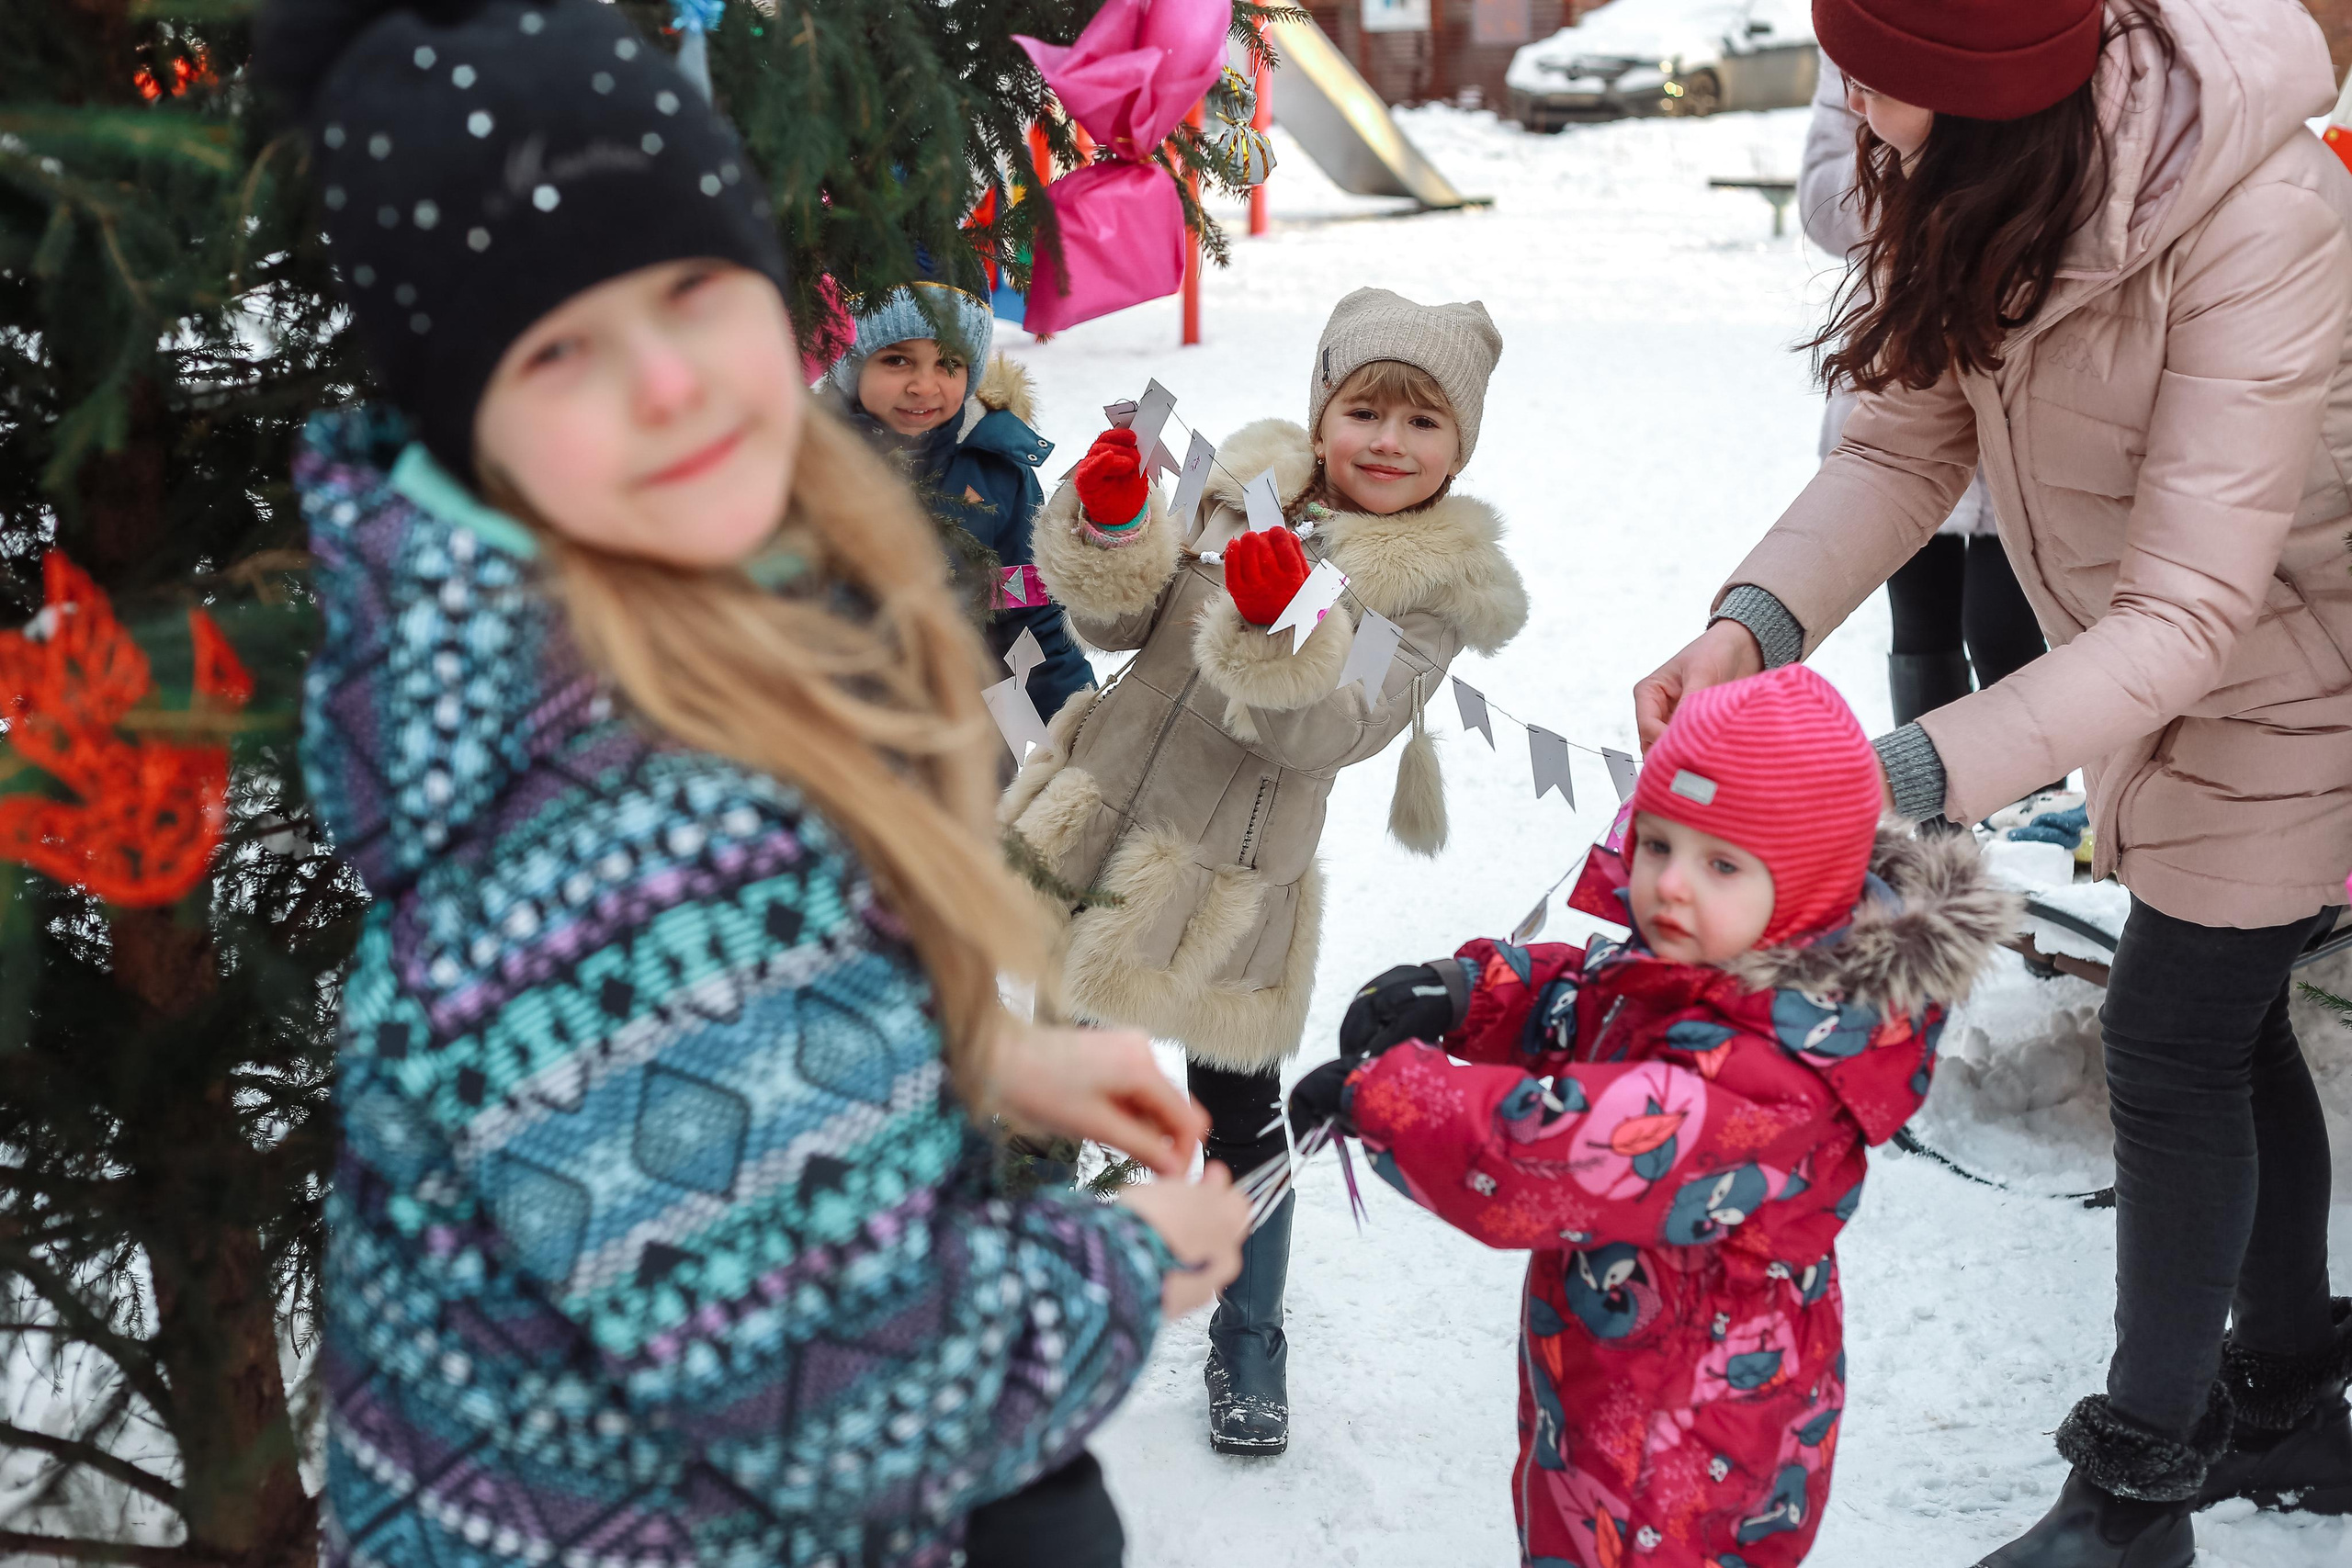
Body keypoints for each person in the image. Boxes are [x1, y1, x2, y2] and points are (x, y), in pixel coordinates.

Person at [256, 4, 1249, 1564]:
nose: (668, 383)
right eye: (563, 345)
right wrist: (1133, 1259)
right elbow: (848, 1395)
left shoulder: (589, 643)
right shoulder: (600, 822)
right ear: (471, 413)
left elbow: (678, 1075)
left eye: (694, 291)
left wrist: (964, 1053)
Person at [1634, 3, 2352, 1562]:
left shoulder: (2263, 212)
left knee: (2171, 1045)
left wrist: (1884, 770)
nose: (1852, 106)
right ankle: (2292, 1395)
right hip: (2163, 663)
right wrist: (1750, 627)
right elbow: (1904, 442)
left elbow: (2191, 611)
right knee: (2221, 1033)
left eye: (1875, 75)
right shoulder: (1967, 174)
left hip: (2310, 671)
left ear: (1987, 82)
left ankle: (2137, 1496)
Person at [1286, 665, 2011, 1567]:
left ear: (1808, 889)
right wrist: (1468, 992)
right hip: (1619, 1390)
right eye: (1658, 844)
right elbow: (1600, 1002)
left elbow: (1554, 1153)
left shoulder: (1773, 1073)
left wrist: (1383, 1103)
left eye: (1718, 864)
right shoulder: (1714, 966)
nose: (1668, 885)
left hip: (1682, 1456)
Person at [1003, 287, 1531, 1453]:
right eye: (1363, 410)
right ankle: (1016, 1307)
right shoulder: (1240, 486)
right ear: (1322, 409)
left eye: (1422, 423)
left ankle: (1250, 1334)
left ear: (1460, 444)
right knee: (1041, 1068)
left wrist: (1275, 624)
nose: (1386, 442)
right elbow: (1118, 626)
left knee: (1234, 1109)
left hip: (1226, 882)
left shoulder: (1430, 593)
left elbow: (1329, 732)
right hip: (1092, 823)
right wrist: (1111, 525)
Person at [1796, 50, 2047, 730]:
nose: (1856, 104)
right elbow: (1822, 206)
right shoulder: (1856, 34)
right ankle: (1933, 823)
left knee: (2004, 625)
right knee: (1921, 625)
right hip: (1908, 357)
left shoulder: (2017, 33)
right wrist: (1919, 154)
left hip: (2019, 362)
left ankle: (2030, 825)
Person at [831, 281, 1094, 724]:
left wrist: (1080, 726)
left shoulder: (996, 473)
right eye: (897, 359)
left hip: (970, 738)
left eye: (948, 362)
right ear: (852, 364)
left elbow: (1030, 615)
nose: (923, 385)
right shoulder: (807, 468)